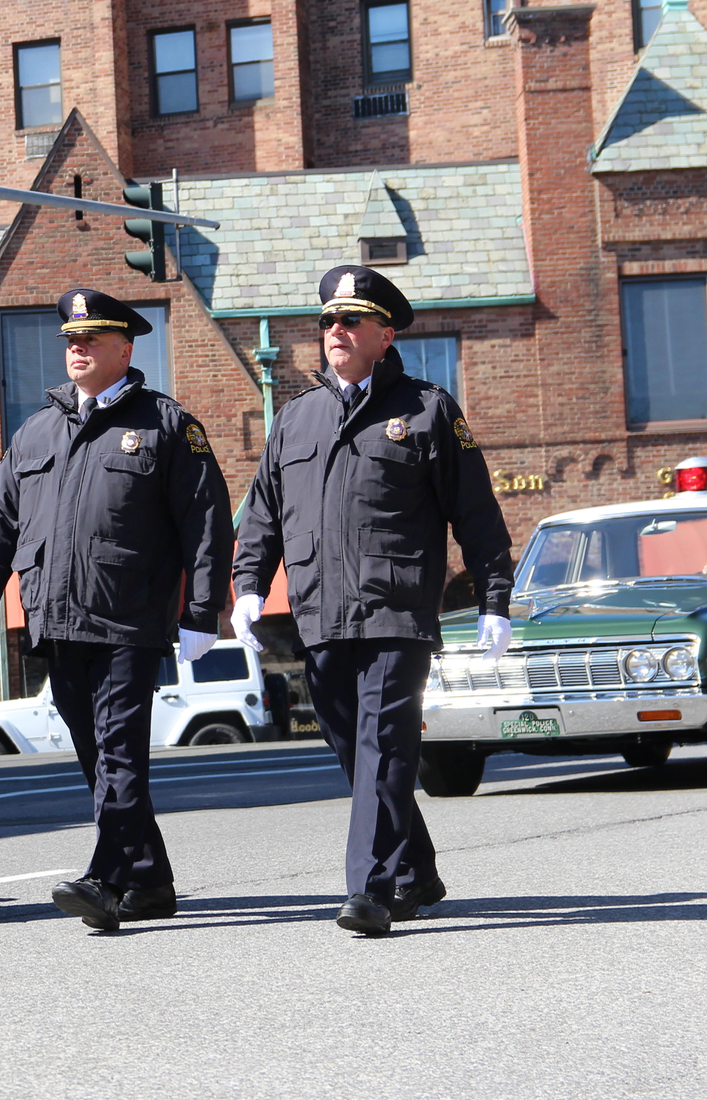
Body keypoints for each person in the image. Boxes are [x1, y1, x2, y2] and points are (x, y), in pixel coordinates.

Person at [231, 266, 514, 937]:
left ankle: (371, 889)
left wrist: (494, 598)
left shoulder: (428, 411)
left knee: (384, 745)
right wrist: (247, 585)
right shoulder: (296, 418)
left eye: (351, 320)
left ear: (384, 335)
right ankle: (415, 868)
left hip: (396, 610)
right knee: (357, 752)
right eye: (328, 320)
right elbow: (264, 514)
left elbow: (476, 514)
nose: (336, 331)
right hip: (319, 615)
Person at [0, 289, 234, 932]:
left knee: (118, 754)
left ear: (125, 349)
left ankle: (107, 879)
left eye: (91, 339)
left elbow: (207, 525)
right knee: (97, 758)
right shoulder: (37, 429)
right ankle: (151, 880)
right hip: (56, 619)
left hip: (128, 620)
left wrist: (200, 611)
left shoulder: (167, 425)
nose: (77, 348)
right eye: (70, 340)